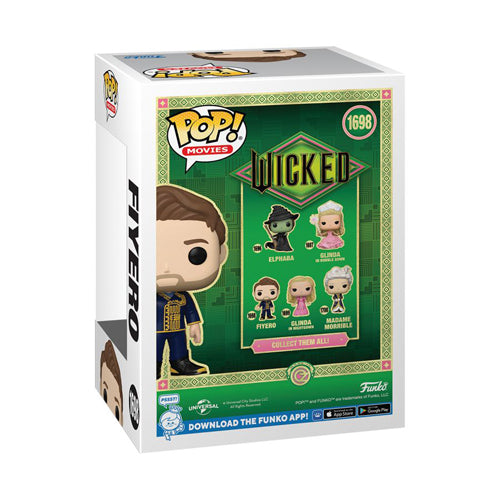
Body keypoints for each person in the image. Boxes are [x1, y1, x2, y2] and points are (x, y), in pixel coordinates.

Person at [156, 185, 228, 377]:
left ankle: (180, 363)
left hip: (178, 329)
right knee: (154, 349)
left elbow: (190, 311)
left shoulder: (183, 296)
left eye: (196, 254)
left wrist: (194, 325)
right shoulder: (150, 298)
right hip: (154, 331)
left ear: (221, 254)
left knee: (180, 345)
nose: (166, 268)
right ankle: (152, 366)